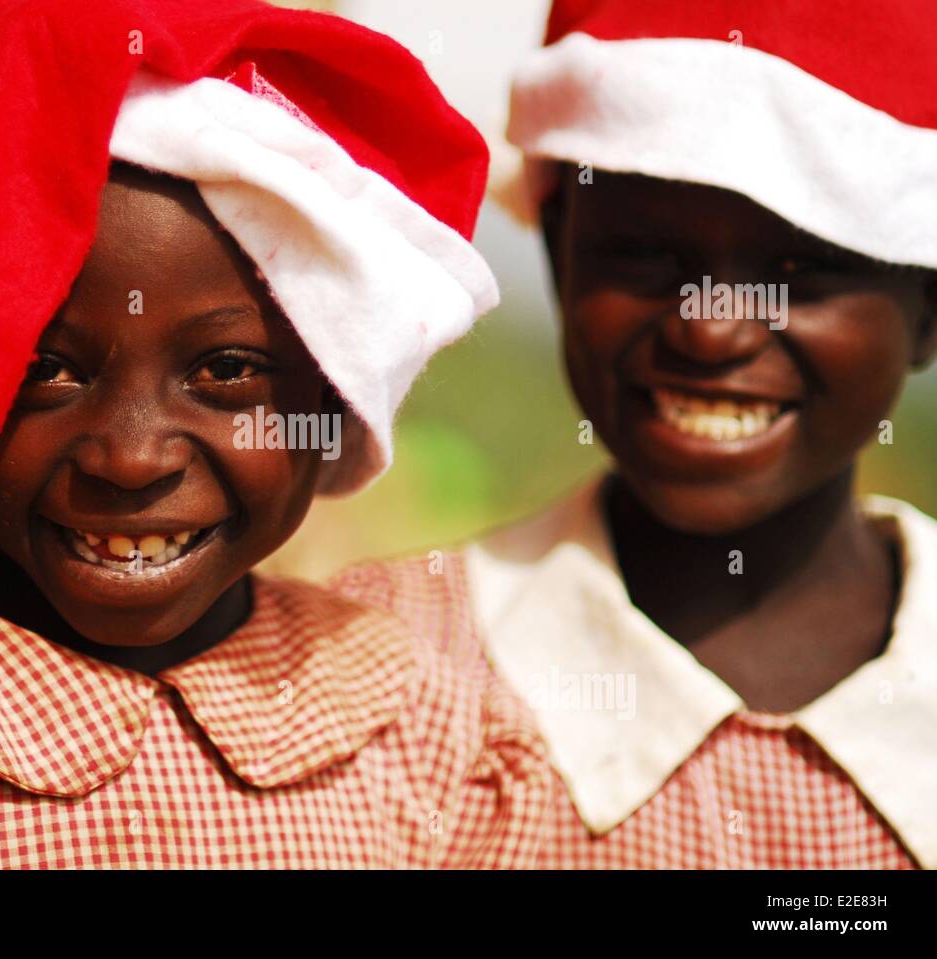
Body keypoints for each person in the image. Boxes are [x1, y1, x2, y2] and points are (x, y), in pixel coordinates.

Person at [0, 0, 548, 869]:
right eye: (43, 370)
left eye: (225, 370)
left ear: (335, 397)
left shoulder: (409, 709)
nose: (132, 458)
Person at [332, 0, 937, 868]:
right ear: (558, 254)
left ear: (927, 310)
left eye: (805, 269)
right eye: (647, 254)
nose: (711, 329)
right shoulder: (364, 678)